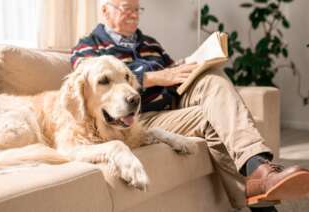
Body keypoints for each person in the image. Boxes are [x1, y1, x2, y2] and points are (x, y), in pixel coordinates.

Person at [70, 0, 309, 211]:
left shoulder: (150, 43)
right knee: (211, 120)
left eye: (137, 9)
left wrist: (191, 65)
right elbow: (85, 75)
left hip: (175, 101)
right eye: (126, 9)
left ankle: (258, 168)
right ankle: (261, 201)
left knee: (213, 79)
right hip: (144, 116)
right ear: (105, 10)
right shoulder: (90, 45)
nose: (133, 14)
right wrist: (154, 77)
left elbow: (173, 70)